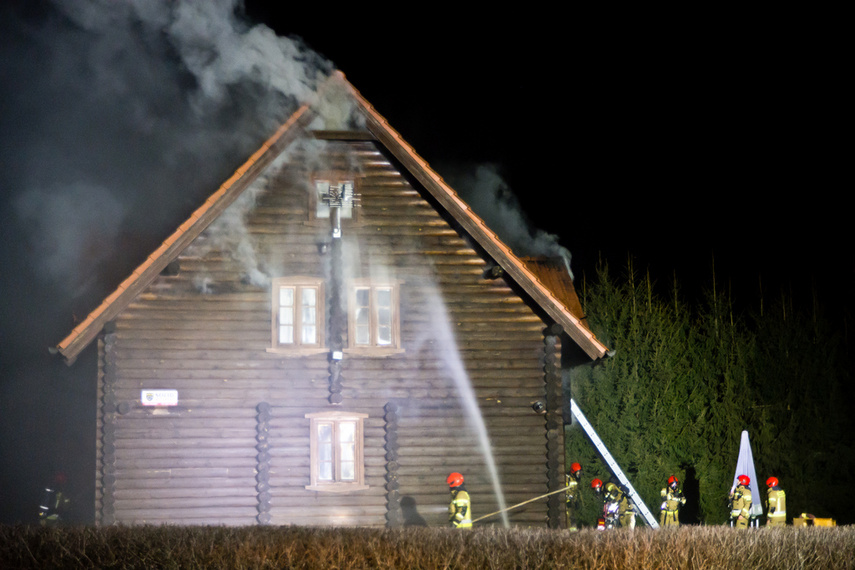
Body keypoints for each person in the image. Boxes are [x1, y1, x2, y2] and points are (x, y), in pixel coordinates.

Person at [565, 462, 582, 531]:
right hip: (566, 501)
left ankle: (574, 530)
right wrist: (568, 496)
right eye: (577, 472)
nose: (579, 473)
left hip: (573, 501)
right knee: (568, 515)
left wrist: (576, 500)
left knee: (573, 515)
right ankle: (569, 531)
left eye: (579, 472)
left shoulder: (576, 479)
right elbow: (565, 489)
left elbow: (576, 491)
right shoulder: (567, 478)